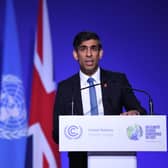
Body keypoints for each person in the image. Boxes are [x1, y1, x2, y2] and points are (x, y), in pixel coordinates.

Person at [52, 31, 146, 168]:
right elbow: (57, 134)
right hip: (80, 161)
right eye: (83, 49)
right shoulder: (65, 88)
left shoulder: (117, 81)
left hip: (116, 158)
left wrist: (135, 114)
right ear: (75, 55)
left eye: (94, 48)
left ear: (100, 53)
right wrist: (74, 131)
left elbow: (140, 112)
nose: (89, 54)